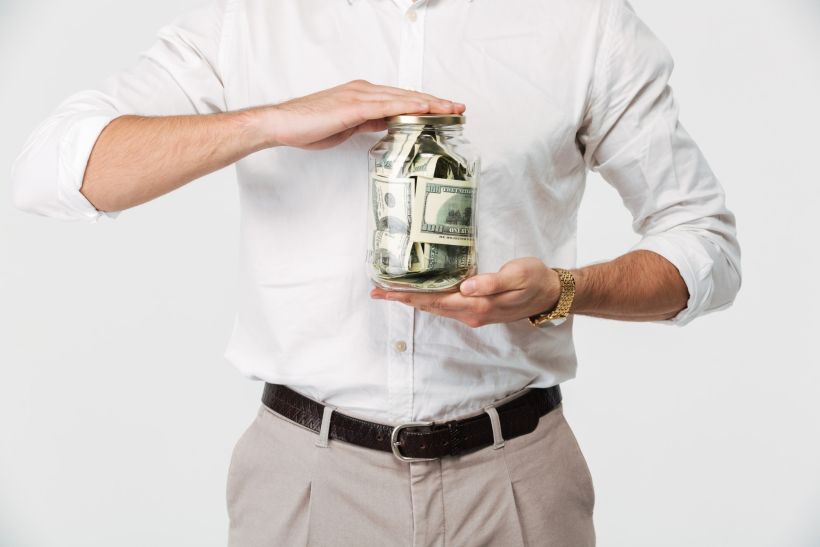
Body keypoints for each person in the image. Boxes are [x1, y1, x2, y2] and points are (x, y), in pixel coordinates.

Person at [10, 0, 742, 545]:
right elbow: (48, 171)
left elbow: (705, 244)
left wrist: (561, 291)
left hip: (516, 481)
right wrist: (268, 120)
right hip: (304, 481)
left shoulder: (584, 22)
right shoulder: (251, 19)